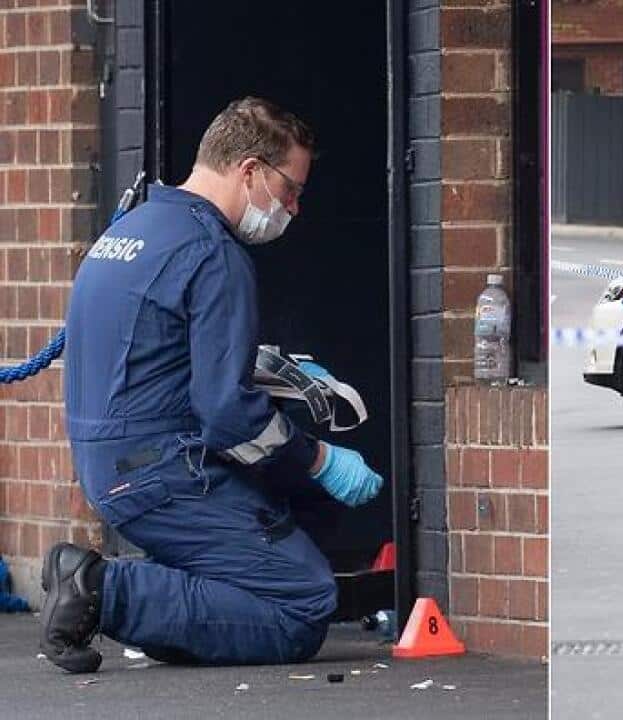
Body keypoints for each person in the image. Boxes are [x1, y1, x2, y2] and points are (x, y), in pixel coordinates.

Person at [40, 97, 383, 673]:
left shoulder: (133, 228)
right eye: (291, 189)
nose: (294, 208)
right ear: (249, 170)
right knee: (303, 600)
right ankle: (103, 590)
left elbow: (156, 354)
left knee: (253, 553)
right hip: (162, 471)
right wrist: (320, 458)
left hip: (111, 467)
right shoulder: (213, 254)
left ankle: (135, 605)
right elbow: (226, 414)